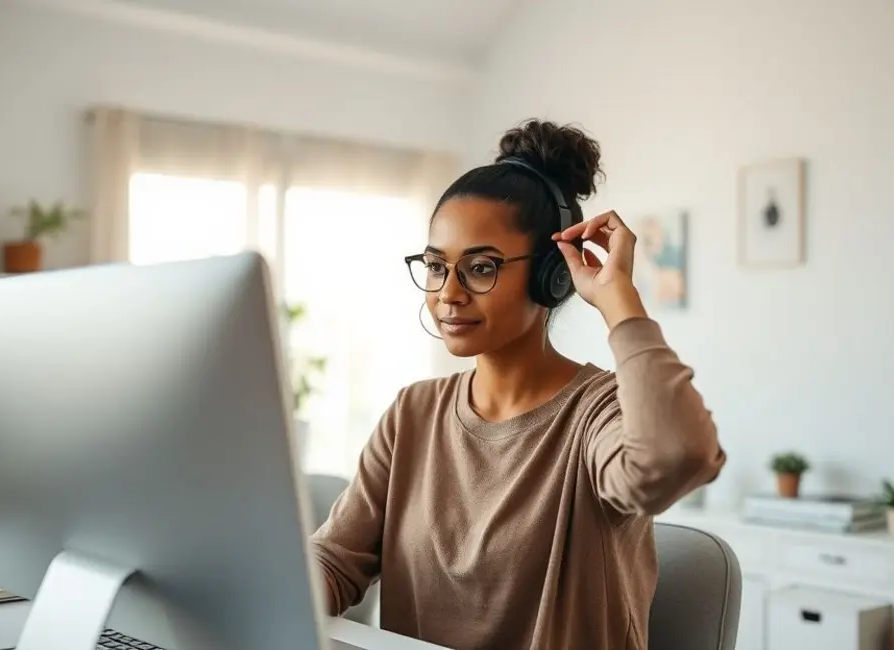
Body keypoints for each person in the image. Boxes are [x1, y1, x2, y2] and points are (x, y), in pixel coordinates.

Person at [310, 119, 726, 650]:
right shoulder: (413, 413)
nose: (448, 294)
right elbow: (335, 561)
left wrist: (618, 298)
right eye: (436, 266)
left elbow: (678, 456)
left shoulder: (598, 414)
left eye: (481, 267)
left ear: (551, 276)